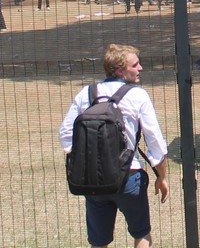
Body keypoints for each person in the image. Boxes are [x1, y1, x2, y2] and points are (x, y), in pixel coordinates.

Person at [59, 44, 169, 248]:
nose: (140, 68)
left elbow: (66, 134)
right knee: (142, 234)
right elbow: (155, 141)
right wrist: (161, 176)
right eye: (135, 65)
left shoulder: (86, 93)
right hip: (129, 176)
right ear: (119, 70)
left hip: (93, 182)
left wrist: (87, 161)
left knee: (98, 242)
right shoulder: (137, 95)